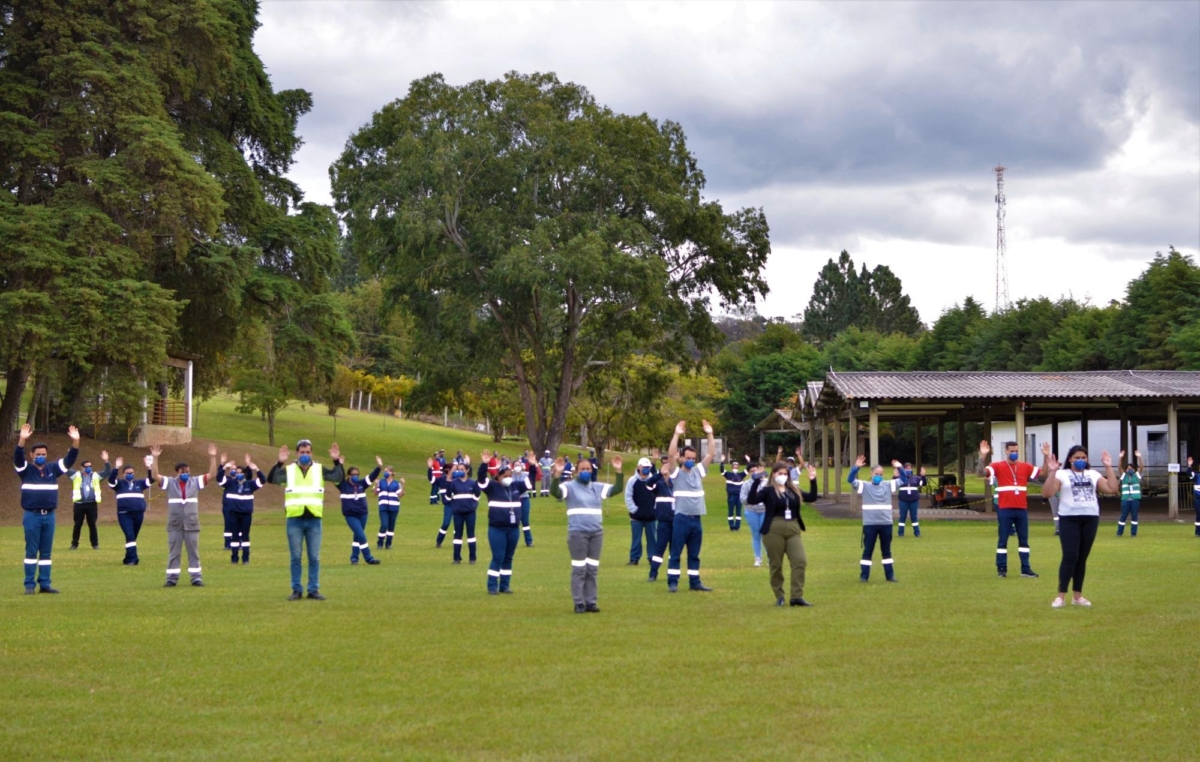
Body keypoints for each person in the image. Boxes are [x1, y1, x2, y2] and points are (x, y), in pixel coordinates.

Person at [1040, 444, 1118, 608]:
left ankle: (1077, 596)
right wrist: (1052, 470)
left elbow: (1112, 488)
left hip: (1090, 518)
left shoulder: (1093, 474)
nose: (1080, 460)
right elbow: (1047, 493)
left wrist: (1109, 467)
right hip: (1069, 518)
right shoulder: (1062, 474)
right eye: (1077, 458)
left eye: (1083, 458)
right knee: (1070, 556)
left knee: (1082, 558)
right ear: (1070, 459)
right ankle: (1060, 596)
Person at [266, 439, 345, 601]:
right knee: (295, 557)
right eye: (302, 452)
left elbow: (338, 477)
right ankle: (296, 590)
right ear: (297, 454)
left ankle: (313, 589)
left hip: (314, 519)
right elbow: (272, 479)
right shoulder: (289, 470)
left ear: (312, 453)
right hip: (294, 519)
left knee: (314, 557)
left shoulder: (318, 469)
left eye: (308, 452)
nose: (305, 455)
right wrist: (279, 463)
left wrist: (336, 460)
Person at [552, 454, 624, 613]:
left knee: (592, 569)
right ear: (577, 471)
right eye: (582, 469)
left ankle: (591, 601)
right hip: (577, 533)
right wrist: (556, 475)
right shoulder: (569, 486)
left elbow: (617, 489)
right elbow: (555, 493)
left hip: (596, 533)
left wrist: (619, 472)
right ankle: (579, 602)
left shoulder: (597, 487)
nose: (586, 471)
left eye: (588, 469)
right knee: (579, 569)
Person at [14, 423, 79, 594]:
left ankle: (45, 583)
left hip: (49, 516)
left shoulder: (53, 469)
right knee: (31, 551)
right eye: (38, 455)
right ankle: (29, 585)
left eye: (43, 454)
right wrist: (22, 439)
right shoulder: (25, 470)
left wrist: (76, 442)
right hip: (32, 516)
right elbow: (17, 458)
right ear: (32, 455)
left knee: (46, 553)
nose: (41, 457)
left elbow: (69, 460)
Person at [748, 460, 819, 606]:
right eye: (780, 473)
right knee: (776, 564)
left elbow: (811, 497)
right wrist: (756, 481)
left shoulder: (793, 490)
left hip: (793, 528)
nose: (783, 476)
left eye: (785, 474)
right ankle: (779, 595)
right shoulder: (768, 490)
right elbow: (752, 500)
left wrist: (813, 480)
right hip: (774, 528)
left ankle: (796, 596)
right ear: (773, 474)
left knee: (800, 561)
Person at [149, 442, 218, 588]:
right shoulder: (170, 482)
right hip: (175, 524)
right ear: (177, 472)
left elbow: (212, 474)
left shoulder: (195, 482)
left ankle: (196, 578)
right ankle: (171, 578)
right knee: (174, 552)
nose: (185, 473)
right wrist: (155, 458)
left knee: (193, 552)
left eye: (187, 471)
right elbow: (155, 475)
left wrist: (213, 457)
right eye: (182, 471)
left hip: (192, 523)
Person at [665, 419, 716, 593]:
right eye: (688, 458)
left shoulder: (698, 471)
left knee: (694, 554)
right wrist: (677, 434)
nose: (691, 461)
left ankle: (695, 582)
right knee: (676, 552)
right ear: (682, 458)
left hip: (696, 520)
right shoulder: (676, 473)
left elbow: (710, 454)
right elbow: (671, 455)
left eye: (693, 459)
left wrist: (709, 433)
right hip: (681, 519)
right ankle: (673, 581)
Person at [978, 440, 1041, 579]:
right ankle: (1001, 568)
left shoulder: (1024, 466)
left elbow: (1041, 474)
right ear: (1006, 451)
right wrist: (982, 456)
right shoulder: (998, 466)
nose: (1014, 453)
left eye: (1016, 451)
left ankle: (1026, 568)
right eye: (1012, 451)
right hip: (1005, 508)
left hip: (1021, 509)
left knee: (1023, 540)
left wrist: (1048, 459)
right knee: (1003, 540)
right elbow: (981, 472)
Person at [476, 453, 529, 594]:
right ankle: (492, 586)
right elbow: (481, 480)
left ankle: (505, 585)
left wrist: (533, 466)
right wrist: (484, 464)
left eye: (510, 475)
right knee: (498, 556)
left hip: (513, 529)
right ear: (498, 477)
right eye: (505, 476)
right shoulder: (492, 487)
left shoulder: (516, 486)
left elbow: (530, 482)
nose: (508, 478)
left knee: (508, 557)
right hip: (497, 529)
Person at [848, 455, 899, 583]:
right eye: (876, 474)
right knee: (868, 551)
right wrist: (856, 468)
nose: (879, 476)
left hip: (886, 523)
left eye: (881, 474)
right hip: (870, 524)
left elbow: (903, 480)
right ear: (871, 474)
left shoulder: (888, 485)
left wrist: (900, 468)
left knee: (886, 552)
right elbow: (850, 480)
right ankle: (864, 576)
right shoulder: (864, 486)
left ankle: (890, 575)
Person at [108, 455, 154, 565]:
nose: (130, 474)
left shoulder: (139, 484)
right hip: (124, 514)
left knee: (132, 537)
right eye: (128, 473)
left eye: (132, 473)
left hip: (138, 514)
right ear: (123, 474)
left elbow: (151, 480)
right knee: (130, 536)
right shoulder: (119, 484)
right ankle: (133, 559)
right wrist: (116, 468)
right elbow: (111, 481)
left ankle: (127, 558)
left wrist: (149, 467)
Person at [218, 454, 264, 564]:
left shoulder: (250, 484)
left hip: (246, 514)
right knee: (234, 537)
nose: (238, 474)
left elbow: (263, 480)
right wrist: (224, 467)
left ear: (245, 474)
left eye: (240, 473)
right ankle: (234, 558)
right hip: (233, 513)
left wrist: (256, 469)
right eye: (237, 473)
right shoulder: (229, 483)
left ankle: (245, 558)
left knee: (245, 536)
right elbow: (219, 478)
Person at [337, 457, 382, 565]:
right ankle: (368, 557)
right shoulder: (343, 485)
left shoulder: (361, 484)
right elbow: (338, 476)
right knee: (361, 535)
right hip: (350, 515)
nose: (356, 476)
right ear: (348, 475)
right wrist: (340, 465)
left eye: (357, 474)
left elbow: (371, 477)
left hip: (363, 514)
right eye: (353, 474)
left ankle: (354, 558)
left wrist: (379, 467)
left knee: (357, 536)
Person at [67, 450, 110, 550]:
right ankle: (74, 544)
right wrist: (69, 456)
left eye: (90, 466)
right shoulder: (76, 475)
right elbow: (66, 469)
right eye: (86, 466)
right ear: (82, 467)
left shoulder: (96, 476)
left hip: (92, 504)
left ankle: (95, 544)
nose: (89, 468)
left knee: (92, 525)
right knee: (77, 525)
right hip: (79, 504)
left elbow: (107, 472)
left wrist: (106, 461)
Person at [442, 459, 481, 564]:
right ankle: (456, 558)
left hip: (470, 512)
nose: (460, 471)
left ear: (467, 470)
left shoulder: (472, 483)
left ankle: (472, 558)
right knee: (457, 535)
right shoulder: (453, 483)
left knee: (471, 535)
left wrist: (472, 506)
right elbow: (448, 496)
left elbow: (477, 496)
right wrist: (450, 476)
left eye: (462, 469)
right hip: (458, 512)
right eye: (458, 470)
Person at [623, 457, 659, 566]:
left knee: (652, 538)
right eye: (644, 467)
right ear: (639, 467)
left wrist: (654, 509)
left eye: (648, 467)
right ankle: (634, 558)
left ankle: (652, 558)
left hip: (651, 516)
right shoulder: (632, 481)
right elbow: (628, 497)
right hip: (636, 517)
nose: (646, 469)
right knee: (636, 539)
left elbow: (658, 495)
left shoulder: (653, 480)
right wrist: (634, 510)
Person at [740, 461, 768, 566]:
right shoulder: (746, 484)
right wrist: (753, 498)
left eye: (756, 470)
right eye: (752, 471)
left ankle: (770, 557)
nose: (754, 472)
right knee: (756, 534)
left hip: (765, 511)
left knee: (766, 534)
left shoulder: (767, 482)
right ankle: (758, 558)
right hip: (751, 511)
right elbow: (742, 499)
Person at [375, 466, 404, 549]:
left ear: (392, 472)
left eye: (387, 471)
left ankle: (388, 543)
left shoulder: (396, 483)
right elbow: (375, 493)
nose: (385, 473)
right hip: (383, 507)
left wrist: (403, 485)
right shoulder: (381, 482)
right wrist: (376, 485)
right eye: (385, 471)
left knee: (391, 526)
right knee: (384, 525)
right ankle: (380, 542)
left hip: (394, 507)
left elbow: (400, 495)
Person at [894, 462, 926, 537]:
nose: (908, 470)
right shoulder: (900, 478)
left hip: (914, 500)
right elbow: (893, 484)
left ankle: (917, 533)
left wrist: (923, 476)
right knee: (902, 516)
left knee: (914, 517)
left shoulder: (916, 478)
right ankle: (900, 533)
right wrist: (895, 476)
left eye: (909, 468)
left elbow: (923, 483)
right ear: (903, 469)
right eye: (907, 468)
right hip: (903, 500)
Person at [1117, 449, 1143, 537]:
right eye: (1128, 469)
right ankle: (1119, 533)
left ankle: (1133, 533)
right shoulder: (1124, 476)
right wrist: (1120, 457)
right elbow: (1119, 467)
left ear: (1134, 469)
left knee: (1134, 517)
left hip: (1135, 499)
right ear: (1126, 470)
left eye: (1131, 468)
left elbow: (1141, 467)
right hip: (1125, 499)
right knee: (1123, 516)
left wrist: (1139, 457)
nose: (1130, 470)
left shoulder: (1136, 475)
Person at [512, 458, 534, 546]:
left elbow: (533, 478)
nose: (517, 467)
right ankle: (513, 541)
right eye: (515, 465)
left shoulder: (526, 475)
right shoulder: (510, 475)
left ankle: (529, 541)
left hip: (524, 499)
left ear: (521, 466)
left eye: (519, 465)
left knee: (525, 521)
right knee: (514, 521)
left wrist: (533, 465)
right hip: (514, 501)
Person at [719, 455, 745, 531]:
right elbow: (721, 470)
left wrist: (749, 461)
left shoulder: (741, 475)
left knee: (738, 512)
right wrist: (722, 462)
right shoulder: (728, 475)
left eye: (736, 466)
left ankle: (737, 526)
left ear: (738, 467)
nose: (735, 467)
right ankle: (731, 526)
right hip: (731, 496)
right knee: (730, 511)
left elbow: (748, 469)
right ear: (732, 467)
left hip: (739, 496)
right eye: (734, 466)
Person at [1183, 456, 1200, 537]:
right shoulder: (1197, 476)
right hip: (1198, 499)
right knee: (1198, 515)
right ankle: (1198, 532)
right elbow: (1189, 474)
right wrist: (1189, 466)